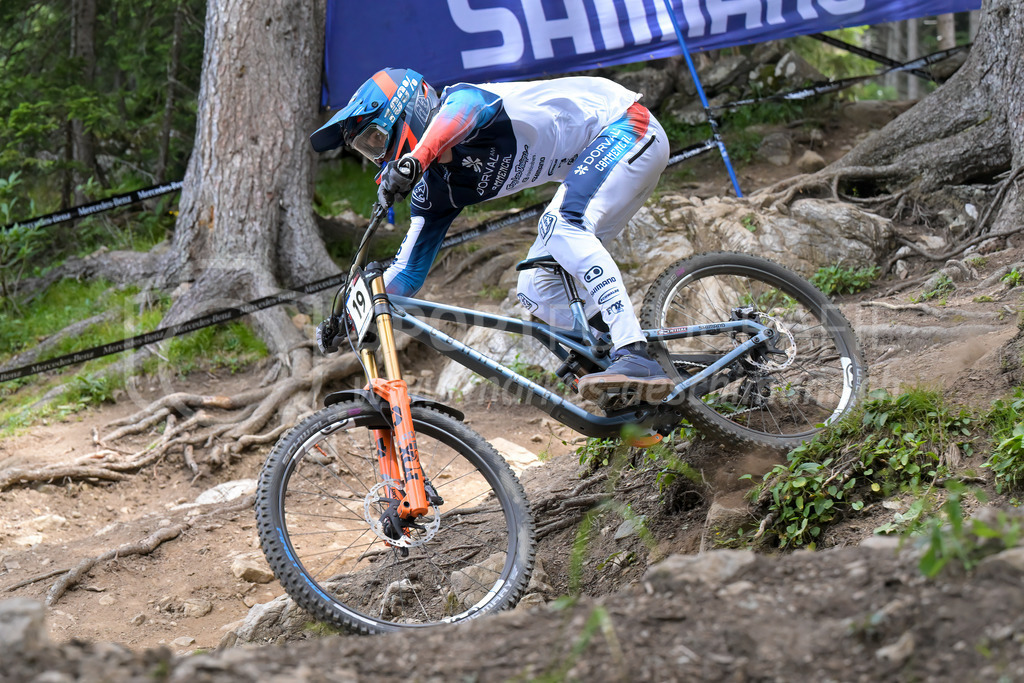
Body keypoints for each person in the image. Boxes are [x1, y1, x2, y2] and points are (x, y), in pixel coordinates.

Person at [310, 67, 673, 403]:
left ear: (408, 111)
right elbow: (406, 274)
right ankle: (632, 374)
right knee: (535, 289)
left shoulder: (462, 102)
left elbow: (455, 120)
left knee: (560, 224)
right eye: (367, 150)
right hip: (604, 161)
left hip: (627, 126)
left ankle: (633, 352)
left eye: (376, 140)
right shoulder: (434, 190)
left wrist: (415, 159)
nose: (377, 158)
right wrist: (350, 319)